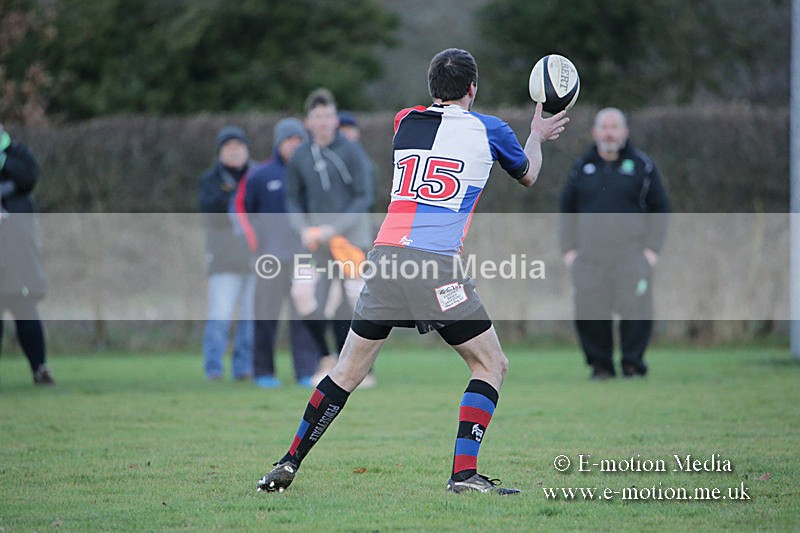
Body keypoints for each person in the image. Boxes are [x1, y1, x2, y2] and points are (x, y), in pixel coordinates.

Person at [257, 48, 569, 495]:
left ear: (431, 90)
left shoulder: (406, 122)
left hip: (383, 258)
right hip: (435, 265)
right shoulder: (491, 129)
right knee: (490, 363)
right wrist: (536, 134)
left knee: (347, 371)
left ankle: (287, 462)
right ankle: (463, 475)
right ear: (472, 89)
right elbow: (528, 175)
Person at [559, 107, 670, 380]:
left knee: (636, 310)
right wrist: (569, 251)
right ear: (595, 132)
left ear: (625, 131)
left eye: (614, 126)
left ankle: (632, 365)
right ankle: (601, 367)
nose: (609, 132)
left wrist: (652, 250)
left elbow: (661, 208)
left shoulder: (642, 166)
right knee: (590, 312)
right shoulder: (581, 167)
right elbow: (566, 210)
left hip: (631, 255)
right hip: (589, 256)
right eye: (604, 127)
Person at [284, 88, 375, 387]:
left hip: (350, 241)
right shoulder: (300, 155)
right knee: (302, 293)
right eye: (317, 117)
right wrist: (302, 229)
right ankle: (326, 359)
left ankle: (362, 369)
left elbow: (364, 197)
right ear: (307, 122)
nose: (323, 122)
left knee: (354, 299)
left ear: (335, 120)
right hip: (314, 243)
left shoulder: (351, 151)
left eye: (328, 116)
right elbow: (292, 201)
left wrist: (333, 229)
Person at [235, 118, 321, 388]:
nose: (294, 146)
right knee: (266, 317)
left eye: (299, 141)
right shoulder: (261, 175)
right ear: (279, 143)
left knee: (304, 318)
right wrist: (257, 247)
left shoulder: (313, 173)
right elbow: (247, 213)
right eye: (289, 141)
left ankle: (306, 372)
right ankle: (263, 372)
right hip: (270, 258)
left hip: (304, 258)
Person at [198, 126, 256, 381]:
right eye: (228, 146)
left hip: (254, 259)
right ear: (220, 152)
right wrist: (237, 198)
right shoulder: (210, 181)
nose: (234, 151)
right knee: (220, 316)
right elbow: (210, 210)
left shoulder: (257, 176)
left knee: (250, 319)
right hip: (223, 260)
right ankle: (213, 368)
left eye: (239, 146)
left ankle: (243, 368)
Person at [0, 123, 54, 385]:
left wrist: (3, 159)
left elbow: (28, 177)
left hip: (16, 251)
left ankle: (39, 367)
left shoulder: (17, 154)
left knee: (25, 309)